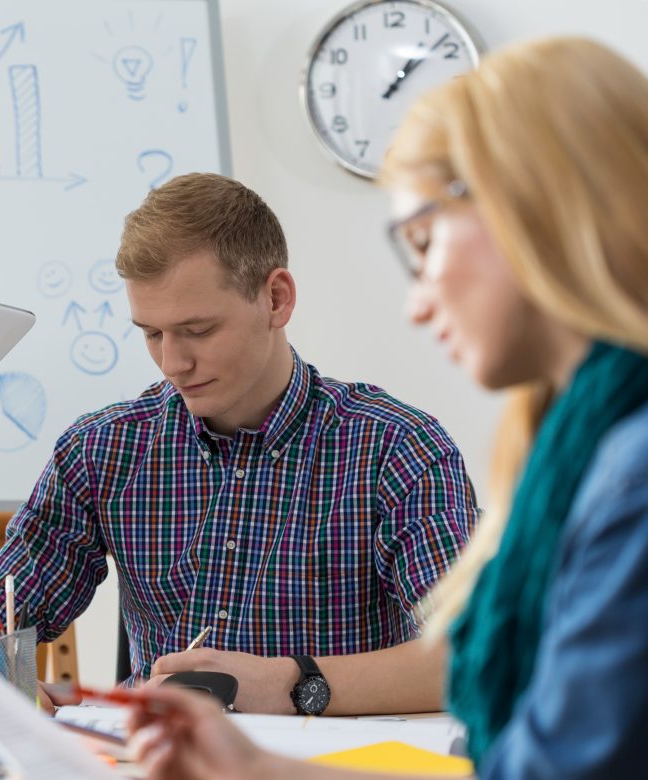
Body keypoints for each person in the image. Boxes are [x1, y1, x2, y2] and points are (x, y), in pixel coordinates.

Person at [120, 36, 648, 779]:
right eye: (153, 335)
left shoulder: (629, 476)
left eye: (424, 242)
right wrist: (261, 768)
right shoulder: (581, 449)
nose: (416, 301)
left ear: (532, 214)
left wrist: (286, 703)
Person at [0, 172, 478, 716]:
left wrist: (293, 685)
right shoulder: (103, 450)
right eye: (152, 333)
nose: (174, 363)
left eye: (197, 331)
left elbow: (481, 653)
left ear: (276, 298)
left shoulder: (397, 449)